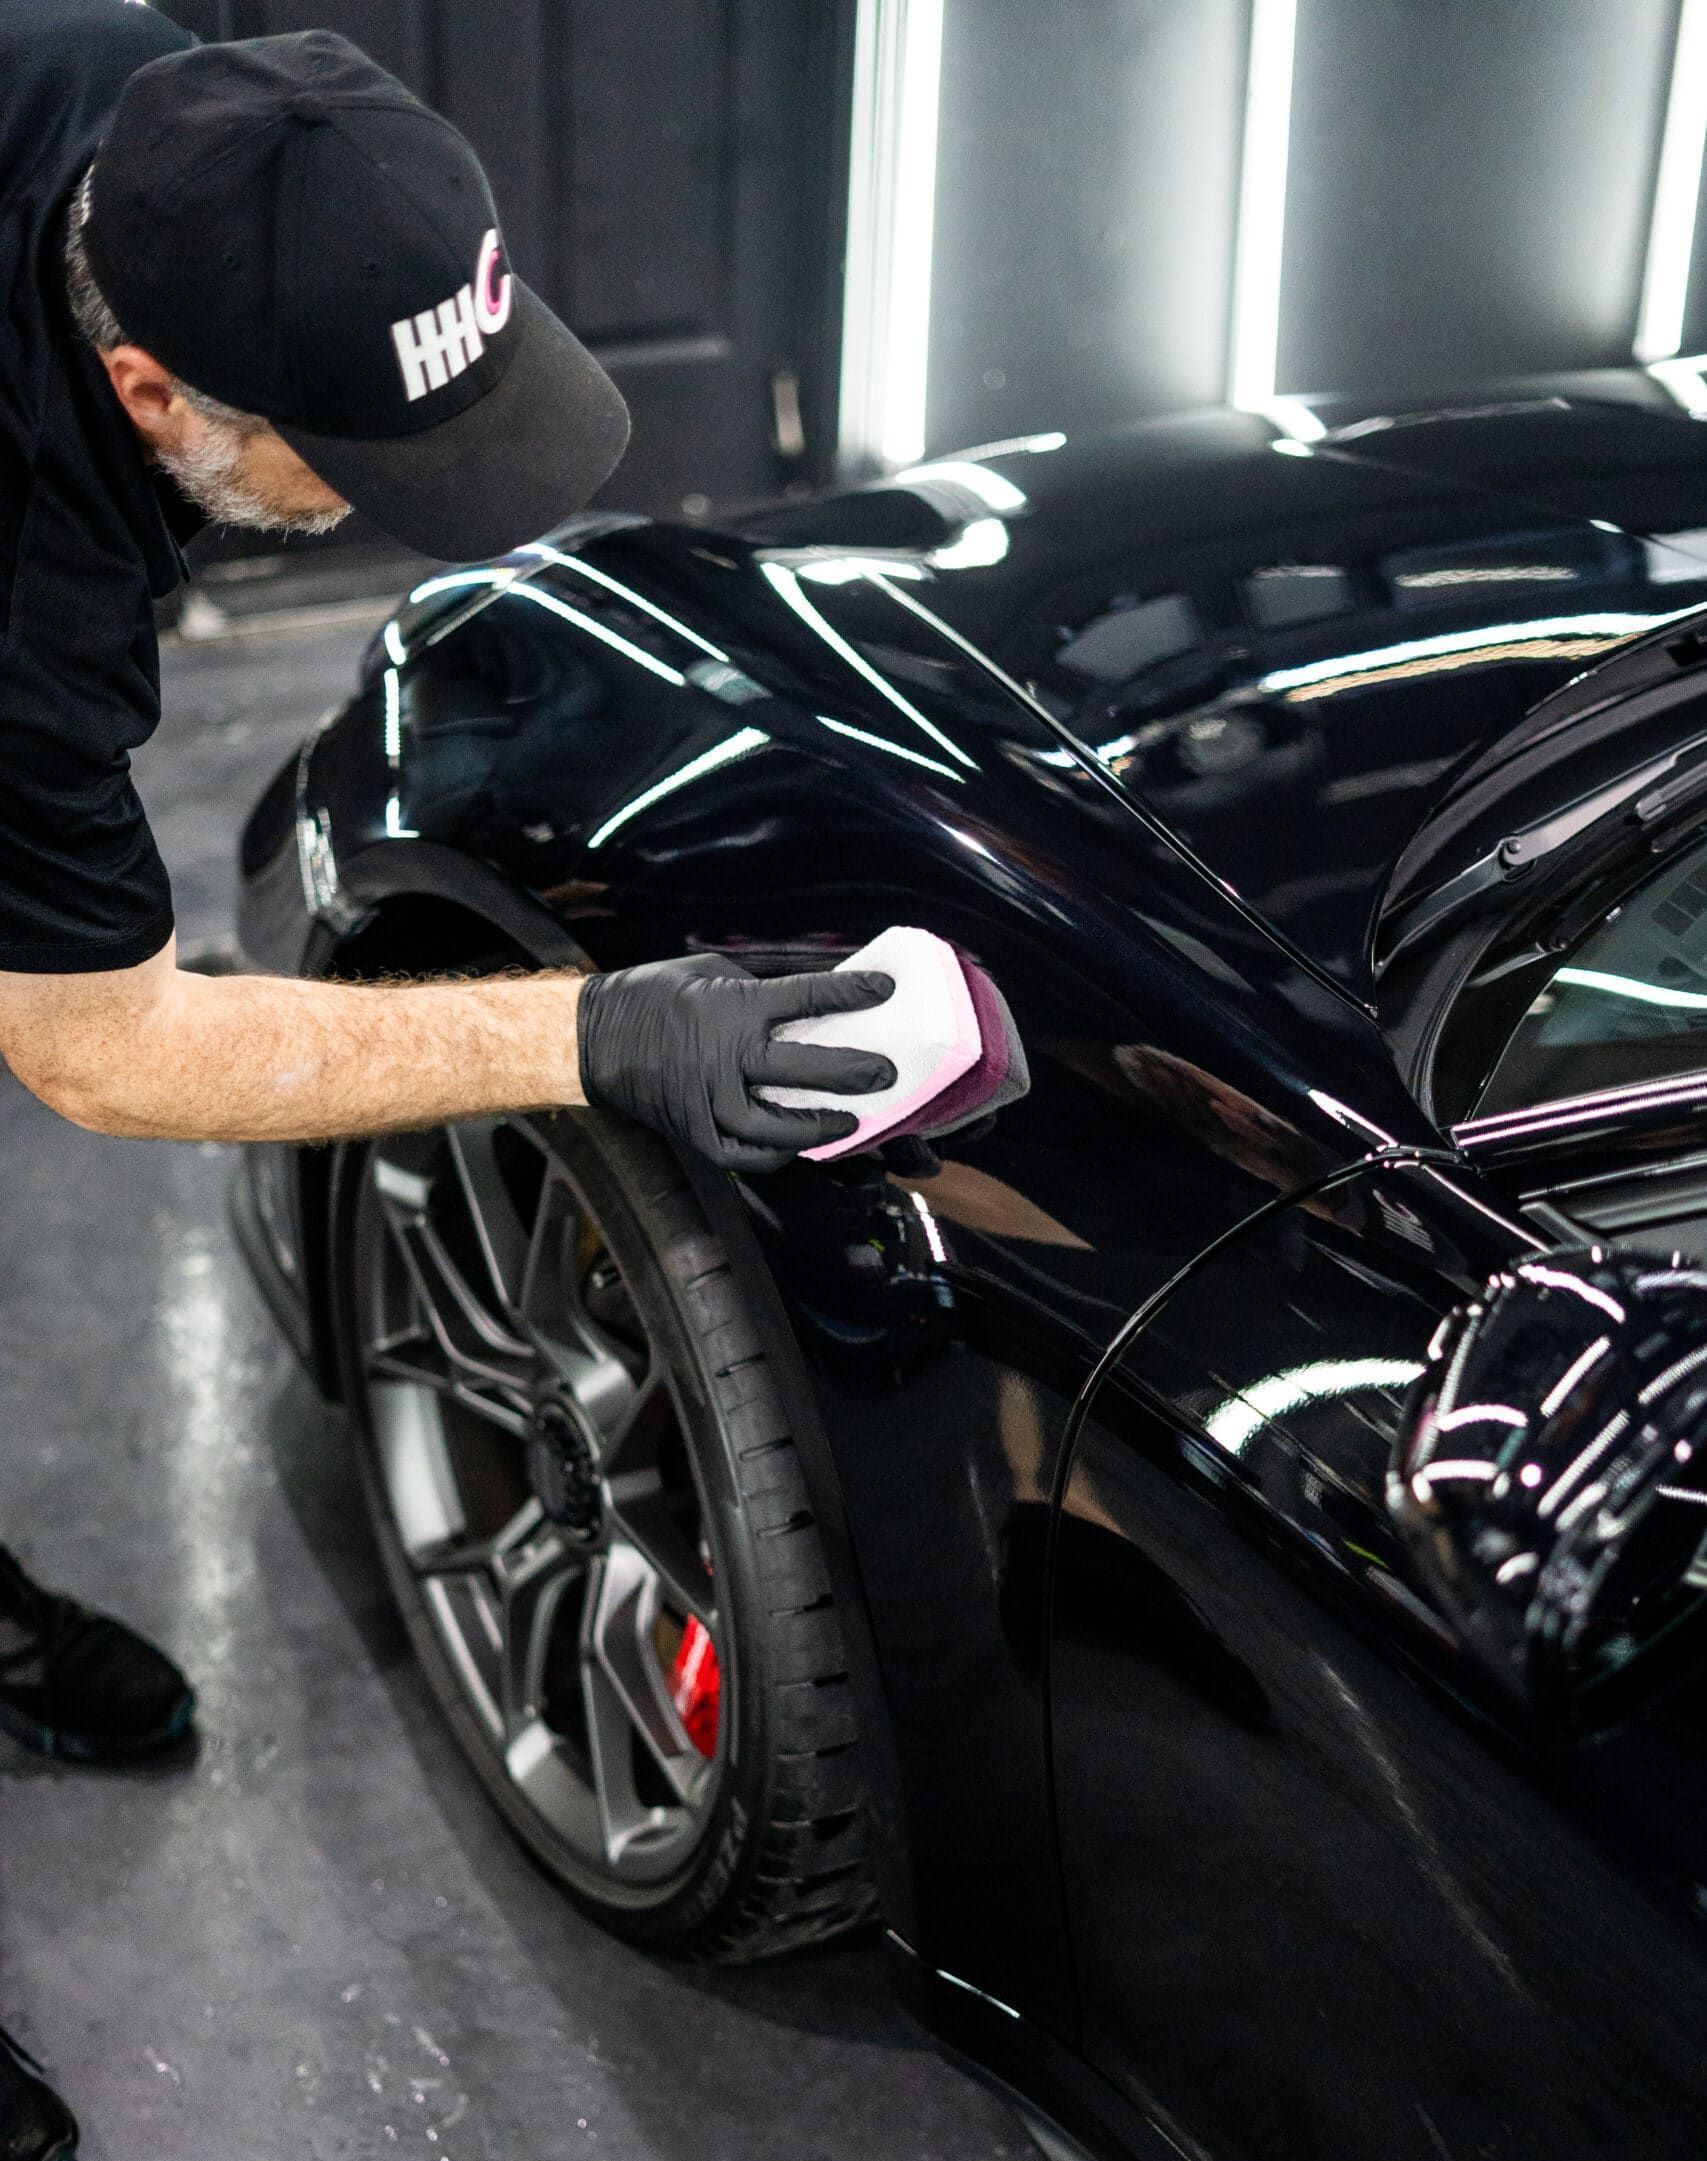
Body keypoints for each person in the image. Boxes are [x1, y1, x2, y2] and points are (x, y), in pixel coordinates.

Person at [0, 11, 898, 2154]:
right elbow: (100, 1048)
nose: (403, 525)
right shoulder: (22, 596)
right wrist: (598, 1031)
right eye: (363, 475)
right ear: (148, 392)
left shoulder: (165, 107)